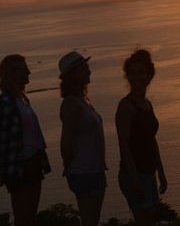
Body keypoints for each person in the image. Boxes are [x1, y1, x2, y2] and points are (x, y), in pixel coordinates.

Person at [0, 55, 50, 226]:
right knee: (23, 218)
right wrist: (2, 170)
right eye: (24, 69)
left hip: (33, 163)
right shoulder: (6, 102)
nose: (29, 72)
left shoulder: (22, 99)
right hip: (19, 167)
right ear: (12, 74)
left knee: (29, 217)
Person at [115, 49, 167, 225]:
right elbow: (124, 145)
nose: (138, 78)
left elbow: (151, 140)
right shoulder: (126, 106)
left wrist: (161, 171)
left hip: (148, 172)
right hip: (134, 174)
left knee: (151, 218)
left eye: (142, 73)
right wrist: (135, 178)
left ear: (149, 75)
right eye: (134, 73)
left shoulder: (147, 104)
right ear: (128, 76)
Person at [58, 51, 106, 226]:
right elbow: (66, 142)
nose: (89, 71)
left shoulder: (83, 100)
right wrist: (68, 164)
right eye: (84, 68)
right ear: (73, 75)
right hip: (84, 172)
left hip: (94, 170)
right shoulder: (71, 103)